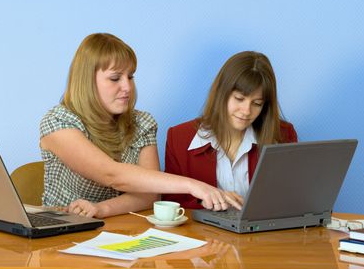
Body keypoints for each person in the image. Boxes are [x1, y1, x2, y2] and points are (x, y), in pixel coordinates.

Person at [39, 33, 241, 218]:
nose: (127, 87)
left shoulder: (142, 124)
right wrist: (193, 185)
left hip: (120, 231)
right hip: (62, 233)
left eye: (130, 76)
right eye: (115, 78)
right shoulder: (58, 121)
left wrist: (100, 209)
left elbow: (149, 196)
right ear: (87, 81)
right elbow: (111, 174)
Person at [163, 51, 298, 209]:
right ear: (222, 93)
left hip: (263, 233)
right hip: (202, 233)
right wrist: (208, 201)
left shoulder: (283, 135)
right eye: (239, 99)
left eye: (257, 103)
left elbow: (294, 198)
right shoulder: (179, 138)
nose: (246, 111)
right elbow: (170, 203)